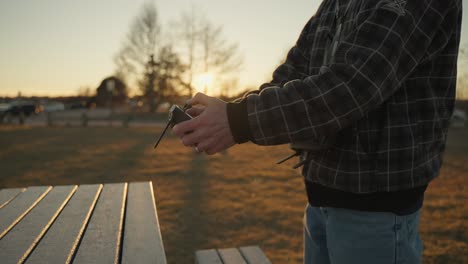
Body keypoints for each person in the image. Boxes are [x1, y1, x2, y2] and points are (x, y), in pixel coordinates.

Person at [173, 0, 463, 263]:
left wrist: (237, 121)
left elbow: (354, 84)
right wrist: (228, 112)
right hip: (319, 200)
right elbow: (291, 75)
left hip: (379, 211)